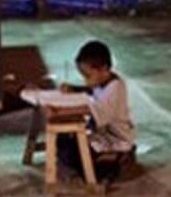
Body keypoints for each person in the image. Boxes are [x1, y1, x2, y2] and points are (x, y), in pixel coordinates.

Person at [56, 40, 137, 181]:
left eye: (88, 76)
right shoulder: (102, 81)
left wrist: (60, 110)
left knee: (80, 162)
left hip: (115, 141)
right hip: (102, 136)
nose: (86, 81)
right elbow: (92, 91)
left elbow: (91, 110)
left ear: (104, 68)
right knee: (63, 142)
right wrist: (74, 89)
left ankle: (118, 159)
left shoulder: (115, 88)